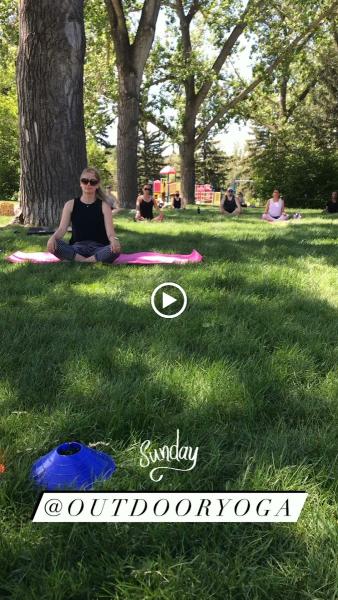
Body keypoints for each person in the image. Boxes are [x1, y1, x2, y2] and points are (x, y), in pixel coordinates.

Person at [46, 167, 121, 263]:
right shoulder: (70, 204)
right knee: (54, 243)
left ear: (97, 185)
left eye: (92, 182)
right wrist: (52, 238)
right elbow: (61, 229)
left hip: (98, 249)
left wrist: (114, 240)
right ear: (80, 183)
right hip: (76, 249)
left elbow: (111, 233)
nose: (88, 184)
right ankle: (90, 261)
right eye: (85, 181)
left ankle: (80, 261)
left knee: (116, 249)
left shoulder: (104, 206)